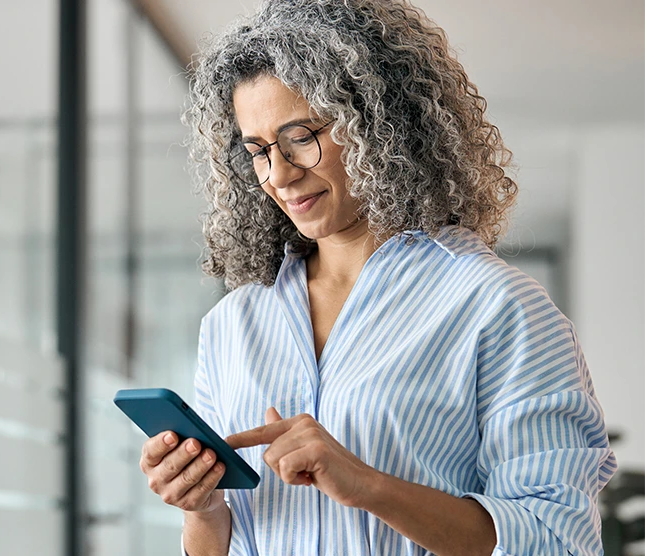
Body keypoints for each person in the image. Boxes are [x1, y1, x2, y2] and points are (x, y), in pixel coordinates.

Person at [137, 0, 618, 554]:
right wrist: (203, 508)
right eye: (259, 150)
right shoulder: (232, 324)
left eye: (301, 136)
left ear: (376, 125)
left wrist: (369, 486)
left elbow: (558, 541)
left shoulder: (497, 307)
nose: (280, 174)